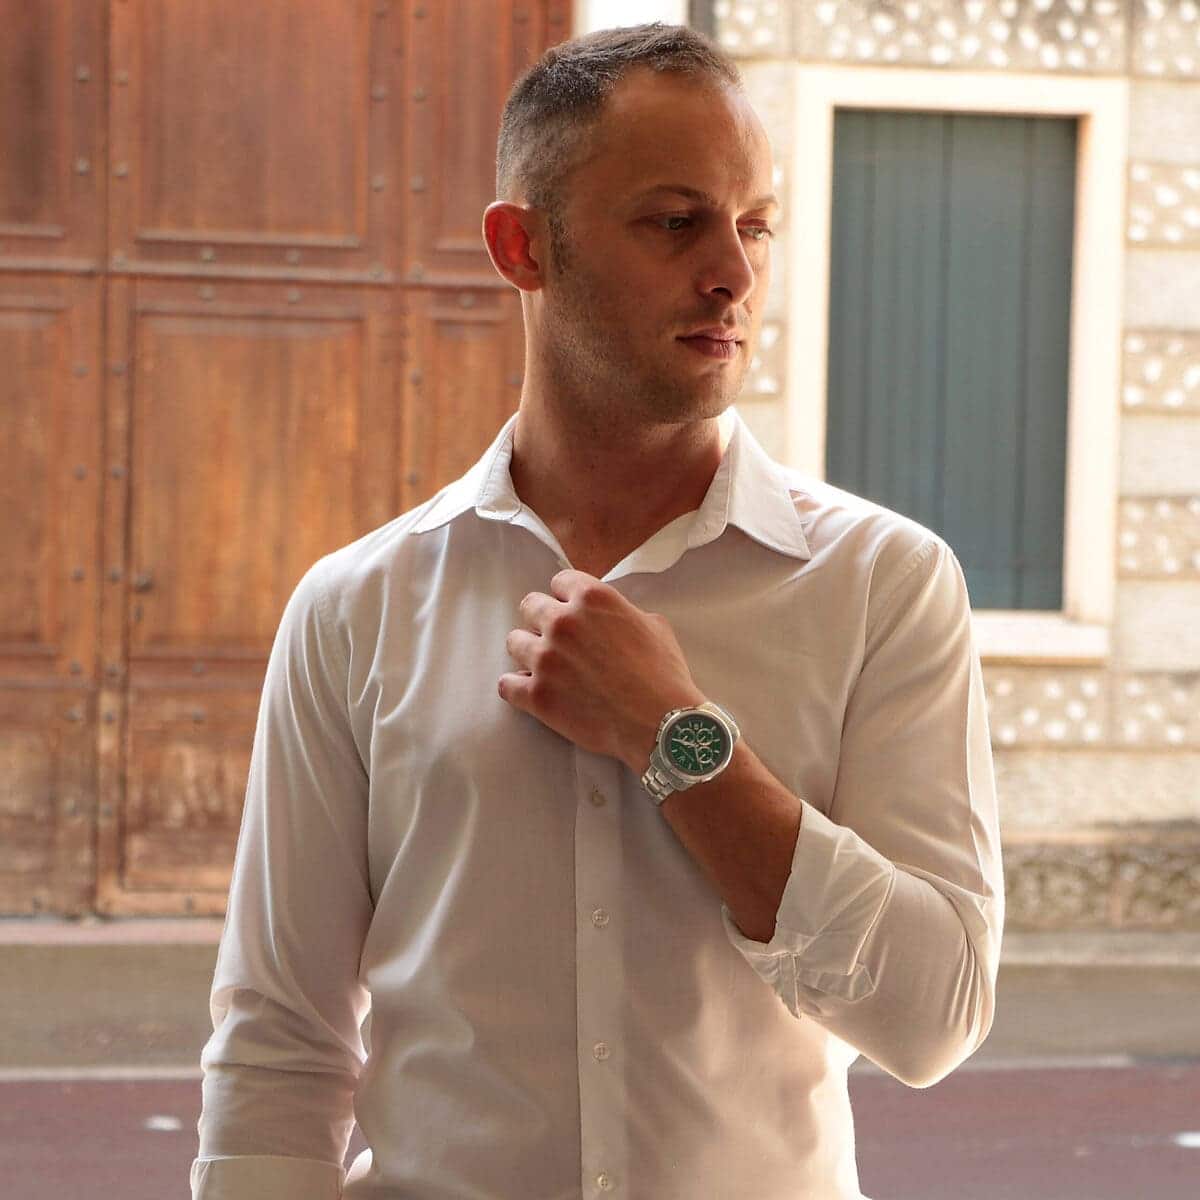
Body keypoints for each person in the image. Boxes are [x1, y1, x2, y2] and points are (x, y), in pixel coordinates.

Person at [191, 21, 1004, 1200]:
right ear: (523, 246)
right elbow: (279, 1042)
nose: (734, 272)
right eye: (675, 222)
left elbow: (936, 1016)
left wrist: (680, 741)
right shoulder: (355, 609)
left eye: (756, 224)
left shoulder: (884, 582)